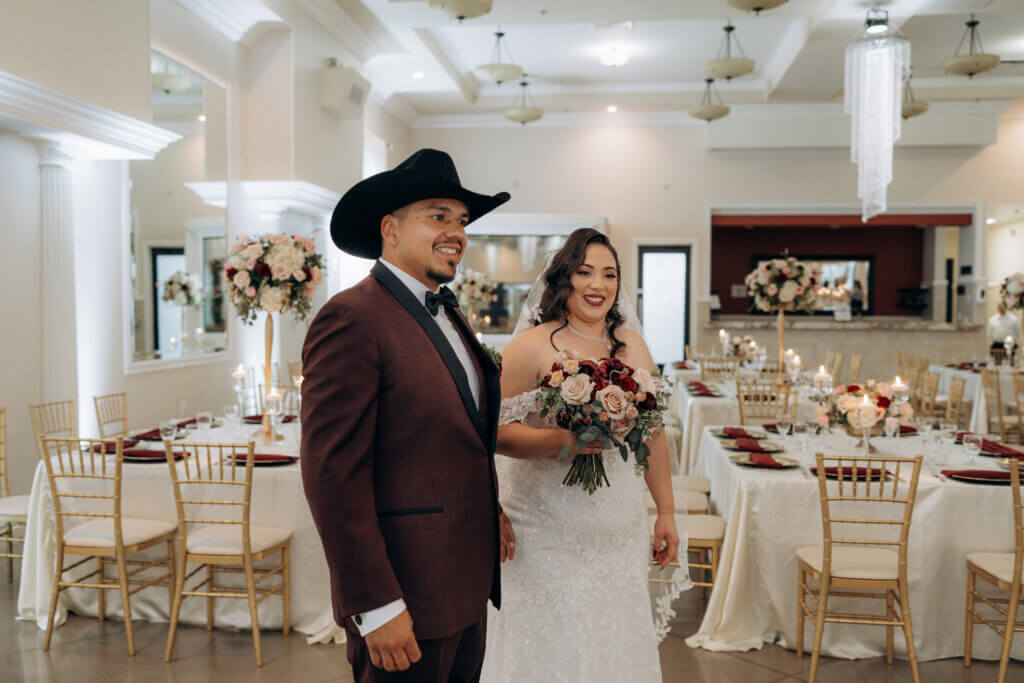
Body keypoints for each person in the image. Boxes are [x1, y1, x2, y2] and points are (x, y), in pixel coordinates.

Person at [301, 148, 515, 682]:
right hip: (403, 596)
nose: (457, 232)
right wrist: (375, 606)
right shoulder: (351, 317)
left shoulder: (451, 314)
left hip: (463, 587)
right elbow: (332, 476)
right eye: (438, 215)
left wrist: (491, 513)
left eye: (461, 220)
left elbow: (456, 440)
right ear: (389, 229)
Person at [480, 228, 688, 682]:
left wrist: (666, 512)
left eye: (609, 274)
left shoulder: (634, 346)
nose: (598, 285)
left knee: (610, 641)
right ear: (564, 279)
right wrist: (563, 440)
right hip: (542, 532)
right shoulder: (531, 345)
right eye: (585, 272)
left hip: (617, 527)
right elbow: (491, 433)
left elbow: (652, 435)